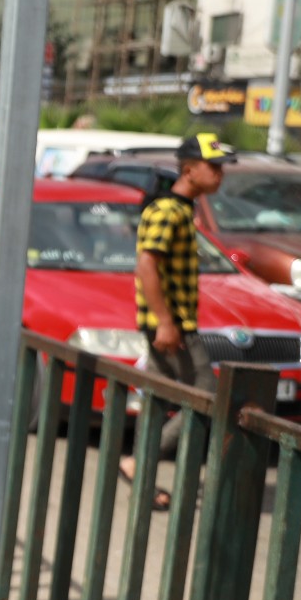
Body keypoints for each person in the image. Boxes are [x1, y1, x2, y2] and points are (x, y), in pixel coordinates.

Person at [118, 133, 234, 501]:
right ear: (188, 170)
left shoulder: (183, 209)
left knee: (155, 400)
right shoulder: (169, 210)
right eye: (213, 167)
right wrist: (165, 322)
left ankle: (140, 471)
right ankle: (139, 463)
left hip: (173, 324)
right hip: (173, 327)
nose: (220, 174)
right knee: (209, 401)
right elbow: (146, 265)